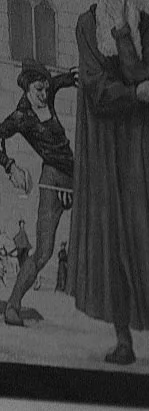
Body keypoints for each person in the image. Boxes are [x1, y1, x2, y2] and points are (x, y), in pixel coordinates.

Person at [68, 0, 149, 367]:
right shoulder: (86, 25)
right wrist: (134, 93)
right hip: (104, 149)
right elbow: (96, 89)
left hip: (139, 149)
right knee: (112, 239)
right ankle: (123, 342)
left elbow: (147, 76)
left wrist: (122, 33)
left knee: (148, 238)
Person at [1, 61, 78, 327]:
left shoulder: (48, 90)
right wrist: (10, 166)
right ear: (26, 88)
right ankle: (13, 306)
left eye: (46, 88)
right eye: (38, 90)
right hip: (53, 181)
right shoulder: (21, 116)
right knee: (44, 252)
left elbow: (64, 79)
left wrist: (75, 76)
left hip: (77, 177)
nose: (44, 94)